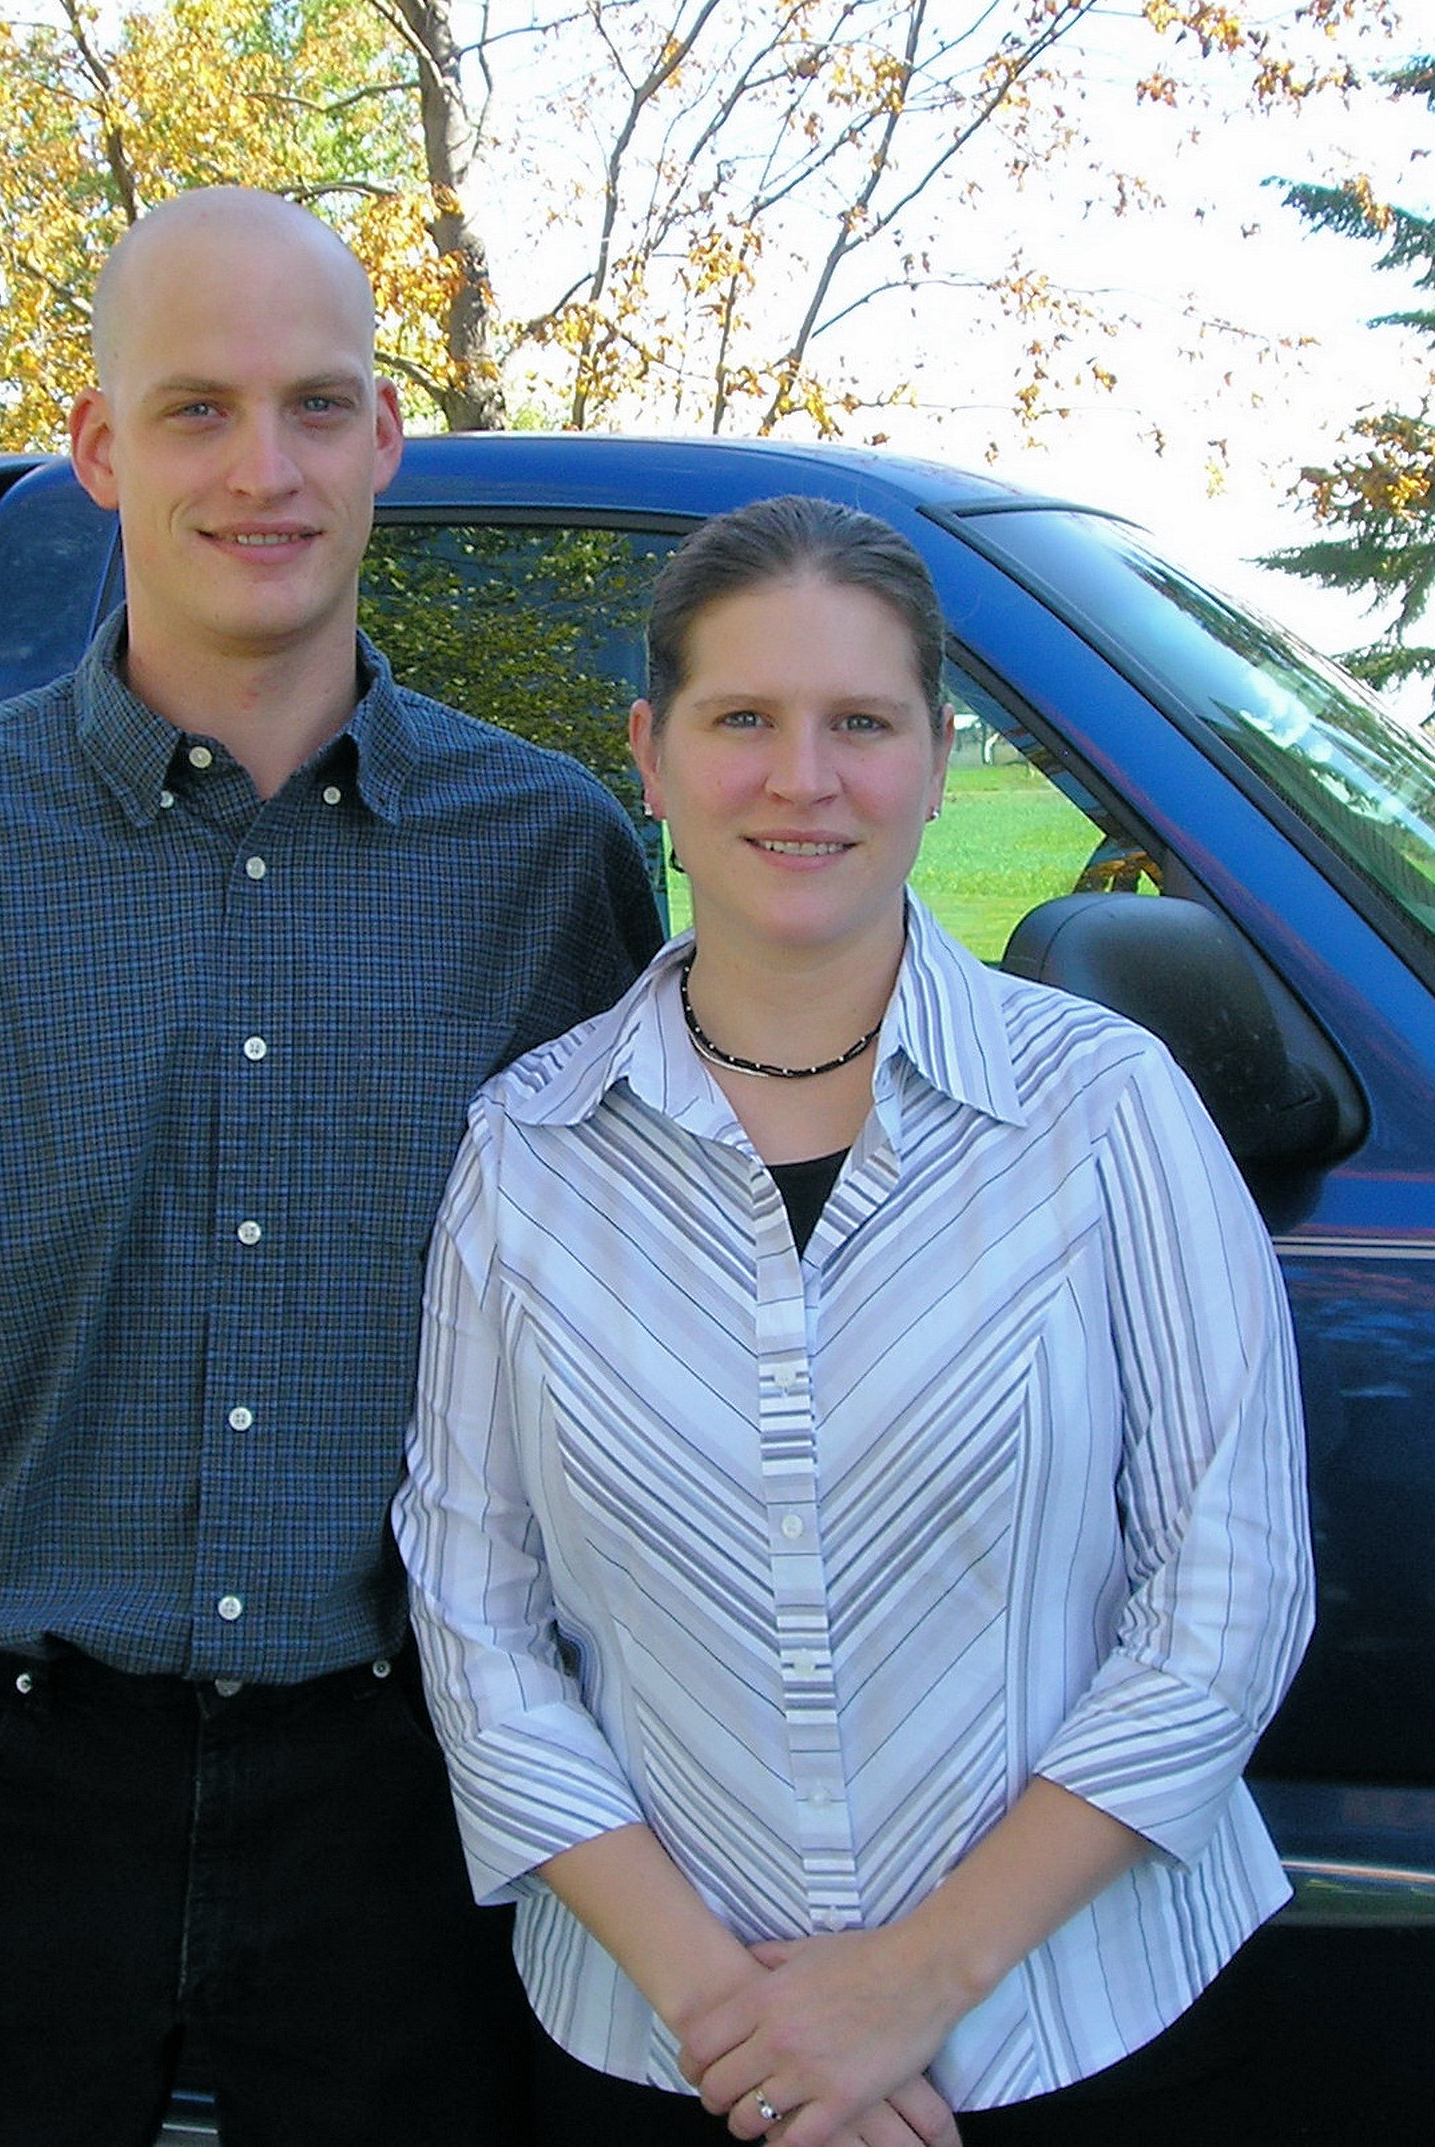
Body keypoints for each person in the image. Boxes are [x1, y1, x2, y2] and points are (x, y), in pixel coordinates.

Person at [0, 186, 664, 2145]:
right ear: (100, 448)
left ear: (385, 437)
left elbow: (643, 1369)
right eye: (194, 409)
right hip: (3, 1799)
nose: (261, 468)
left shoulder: (547, 862)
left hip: (423, 1797)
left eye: (314, 404)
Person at [394, 496, 1315, 2147]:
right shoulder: (526, 1154)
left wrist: (913, 1984)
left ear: (937, 759)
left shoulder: (1105, 1111)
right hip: (661, 2057)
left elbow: (1226, 1605)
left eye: (860, 723)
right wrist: (740, 2027)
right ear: (650, 757)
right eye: (741, 718)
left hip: (1076, 2035)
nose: (801, 778)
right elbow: (474, 1624)